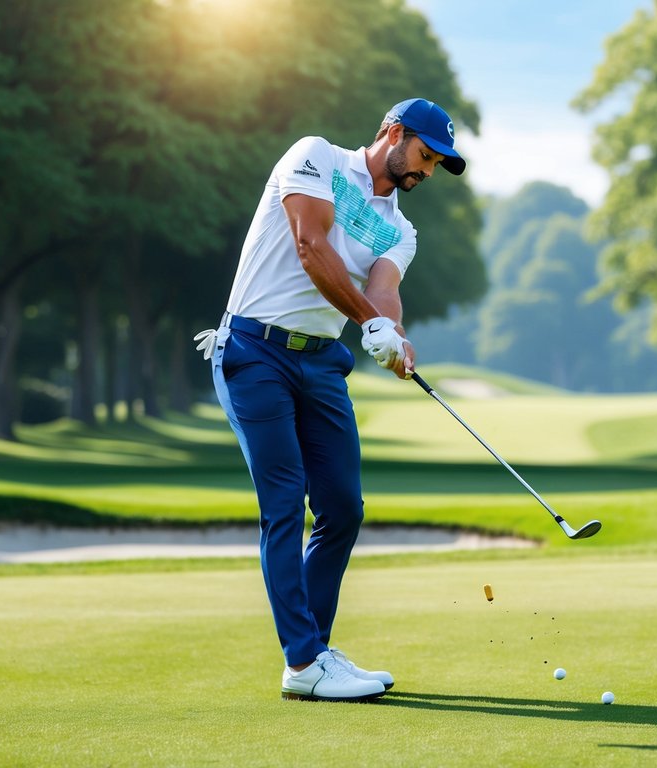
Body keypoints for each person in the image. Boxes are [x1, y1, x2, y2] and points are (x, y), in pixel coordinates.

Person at [194, 98, 465, 702]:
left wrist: (389, 336)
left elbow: (384, 290)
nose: (425, 171)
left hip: (319, 363)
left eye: (436, 165)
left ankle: (310, 655)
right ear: (394, 133)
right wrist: (368, 319)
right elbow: (309, 245)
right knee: (286, 501)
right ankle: (305, 659)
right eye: (423, 155)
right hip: (254, 351)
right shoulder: (316, 157)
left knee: (343, 507)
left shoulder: (402, 230)